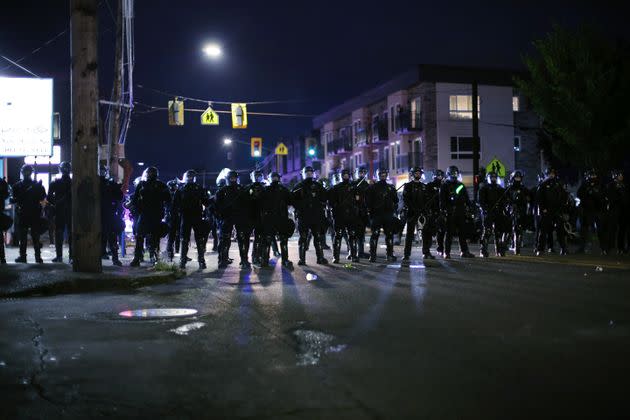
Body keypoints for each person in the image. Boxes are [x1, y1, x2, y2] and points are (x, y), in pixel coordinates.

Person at [128, 166, 171, 266]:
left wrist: (167, 210)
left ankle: (154, 256)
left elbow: (168, 199)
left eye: (152, 172)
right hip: (144, 214)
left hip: (156, 214)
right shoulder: (142, 184)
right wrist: (136, 208)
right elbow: (134, 200)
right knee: (140, 235)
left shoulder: (161, 185)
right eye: (149, 172)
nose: (150, 174)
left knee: (154, 237)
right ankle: (137, 257)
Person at [173, 170, 210, 269]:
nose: (190, 178)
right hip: (185, 216)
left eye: (192, 176)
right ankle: (183, 259)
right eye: (188, 176)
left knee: (199, 239)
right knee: (184, 239)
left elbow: (206, 202)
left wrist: (211, 206)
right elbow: (175, 204)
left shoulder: (199, 188)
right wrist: (175, 216)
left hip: (197, 216)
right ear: (186, 177)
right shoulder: (180, 189)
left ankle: (201, 260)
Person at [215, 171, 253, 269]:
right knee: (225, 238)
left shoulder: (242, 189)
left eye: (234, 178)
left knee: (242, 238)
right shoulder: (222, 191)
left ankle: (244, 260)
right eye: (231, 178)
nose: (233, 179)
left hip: (240, 216)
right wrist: (220, 216)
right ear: (228, 179)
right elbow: (217, 205)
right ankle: (223, 260)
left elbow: (248, 203)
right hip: (227, 217)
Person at [291, 166, 328, 265]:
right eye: (307, 173)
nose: (309, 174)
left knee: (318, 237)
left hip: (316, 215)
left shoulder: (317, 185)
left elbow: (324, 198)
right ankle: (302, 260)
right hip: (304, 216)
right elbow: (292, 200)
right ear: (303, 174)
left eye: (310, 173)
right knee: (303, 237)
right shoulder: (298, 186)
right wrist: (301, 207)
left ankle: (320, 258)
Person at [10, 164, 47, 263]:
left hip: (23, 214)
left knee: (24, 236)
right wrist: (42, 211)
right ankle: (37, 257)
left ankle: (23, 257)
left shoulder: (17, 186)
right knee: (35, 236)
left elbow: (13, 200)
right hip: (33, 213)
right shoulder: (37, 185)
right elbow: (43, 200)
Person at [260, 172, 294, 268]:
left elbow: (290, 201)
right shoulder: (266, 189)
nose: (275, 179)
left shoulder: (282, 189)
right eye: (273, 177)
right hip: (271, 218)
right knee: (268, 240)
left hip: (280, 218)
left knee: (283, 239)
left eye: (276, 177)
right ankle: (265, 260)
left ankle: (284, 259)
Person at [439, 166, 475, 259]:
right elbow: (442, 201)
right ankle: (446, 252)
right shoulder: (445, 185)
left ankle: (464, 251)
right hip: (450, 212)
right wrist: (444, 211)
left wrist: (470, 207)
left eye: (455, 173)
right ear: (448, 174)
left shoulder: (461, 185)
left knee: (462, 233)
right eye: (452, 173)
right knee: (449, 233)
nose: (454, 175)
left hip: (460, 211)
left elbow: (467, 199)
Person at [367, 168, 399, 262]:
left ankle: (378, 256)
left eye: (384, 174)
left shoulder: (389, 187)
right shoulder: (373, 187)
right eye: (382, 174)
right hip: (380, 214)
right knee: (382, 234)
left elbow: (396, 201)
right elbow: (368, 202)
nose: (383, 176)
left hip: (384, 214)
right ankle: (380, 255)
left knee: (382, 234)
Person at [328, 168, 360, 263]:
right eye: (344, 175)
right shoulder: (336, 188)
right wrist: (335, 210)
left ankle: (354, 256)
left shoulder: (354, 187)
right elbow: (331, 202)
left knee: (352, 235)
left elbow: (358, 201)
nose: (346, 176)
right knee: (338, 235)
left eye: (347, 174)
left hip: (351, 215)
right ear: (341, 176)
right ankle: (336, 257)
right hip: (339, 215)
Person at [402, 167, 434, 260]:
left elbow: (427, 199)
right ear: (412, 174)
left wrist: (425, 209)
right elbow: (406, 199)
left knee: (425, 234)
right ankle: (406, 254)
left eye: (419, 173)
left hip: (422, 213)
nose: (418, 175)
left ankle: (426, 252)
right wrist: (413, 209)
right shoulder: (408, 186)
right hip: (412, 213)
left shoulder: (424, 186)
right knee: (409, 234)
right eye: (416, 173)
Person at [534, 167, 568, 256]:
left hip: (557, 211)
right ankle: (540, 249)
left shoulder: (558, 184)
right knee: (543, 231)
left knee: (560, 230)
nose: (551, 175)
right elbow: (539, 198)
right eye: (550, 173)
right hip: (546, 210)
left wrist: (562, 208)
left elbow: (564, 196)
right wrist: (543, 209)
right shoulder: (543, 185)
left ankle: (563, 248)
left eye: (553, 173)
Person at [47, 161, 72, 262]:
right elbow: (49, 197)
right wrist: (56, 203)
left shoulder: (57, 182)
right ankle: (66, 256)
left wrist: (56, 203)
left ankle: (62, 256)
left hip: (65, 210)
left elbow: (49, 197)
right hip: (65, 210)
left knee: (63, 234)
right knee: (63, 234)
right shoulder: (72, 182)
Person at [478, 171, 507, 257]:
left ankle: (499, 250)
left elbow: (504, 200)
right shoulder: (484, 188)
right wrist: (485, 210)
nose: (493, 179)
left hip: (498, 212)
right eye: (492, 177)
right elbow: (480, 201)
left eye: (495, 177)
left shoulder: (499, 188)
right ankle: (483, 250)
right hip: (488, 212)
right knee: (487, 231)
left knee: (498, 232)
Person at [577, 170, 606, 254]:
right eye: (591, 176)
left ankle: (603, 248)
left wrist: (595, 194)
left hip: (597, 210)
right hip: (587, 210)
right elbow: (579, 194)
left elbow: (603, 196)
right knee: (584, 229)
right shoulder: (585, 185)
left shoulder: (599, 185)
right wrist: (587, 193)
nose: (593, 177)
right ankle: (582, 247)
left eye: (594, 175)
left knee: (600, 229)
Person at [100, 165, 124, 266]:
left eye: (103, 171)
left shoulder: (110, 183)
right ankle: (101, 255)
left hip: (109, 213)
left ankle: (115, 258)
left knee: (112, 236)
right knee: (100, 236)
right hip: (98, 213)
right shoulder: (95, 183)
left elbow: (119, 196)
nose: (102, 172)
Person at [505, 170, 530, 255]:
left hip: (520, 211)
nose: (517, 179)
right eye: (516, 177)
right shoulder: (509, 188)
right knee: (507, 229)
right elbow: (504, 199)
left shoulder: (523, 189)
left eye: (519, 177)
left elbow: (529, 198)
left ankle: (516, 247)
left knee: (518, 229)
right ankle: (504, 245)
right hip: (510, 211)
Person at [605, 169, 628, 254]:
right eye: (619, 175)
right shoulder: (611, 185)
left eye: (622, 175)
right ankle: (609, 247)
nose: (621, 176)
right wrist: (618, 193)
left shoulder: (624, 185)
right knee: (612, 230)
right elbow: (611, 198)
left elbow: (626, 198)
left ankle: (620, 247)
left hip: (623, 211)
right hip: (614, 211)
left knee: (622, 230)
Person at [247, 169, 266, 265]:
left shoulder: (264, 188)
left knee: (259, 237)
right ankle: (247, 258)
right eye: (256, 176)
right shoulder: (248, 188)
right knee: (245, 238)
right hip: (250, 216)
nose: (258, 178)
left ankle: (257, 256)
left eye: (259, 176)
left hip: (261, 216)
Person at [352, 166, 371, 259]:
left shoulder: (367, 185)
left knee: (361, 233)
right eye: (360, 173)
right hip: (354, 213)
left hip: (363, 212)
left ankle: (361, 252)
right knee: (353, 233)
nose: (362, 174)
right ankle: (352, 252)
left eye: (363, 173)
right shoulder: (353, 184)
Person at [426, 169, 445, 256]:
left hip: (442, 211)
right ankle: (427, 250)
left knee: (441, 231)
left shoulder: (444, 186)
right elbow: (427, 199)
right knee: (429, 231)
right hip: (432, 211)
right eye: (438, 175)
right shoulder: (430, 185)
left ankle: (440, 248)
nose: (439, 177)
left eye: (441, 175)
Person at [165, 179, 181, 262]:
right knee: (171, 236)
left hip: (176, 217)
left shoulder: (177, 194)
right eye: (174, 186)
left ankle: (176, 251)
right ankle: (170, 253)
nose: (176, 187)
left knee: (178, 235)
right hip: (171, 218)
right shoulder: (168, 195)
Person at [0, 177, 11, 264]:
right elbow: (7, 194)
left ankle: (2, 258)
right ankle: (2, 258)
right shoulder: (2, 182)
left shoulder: (2, 182)